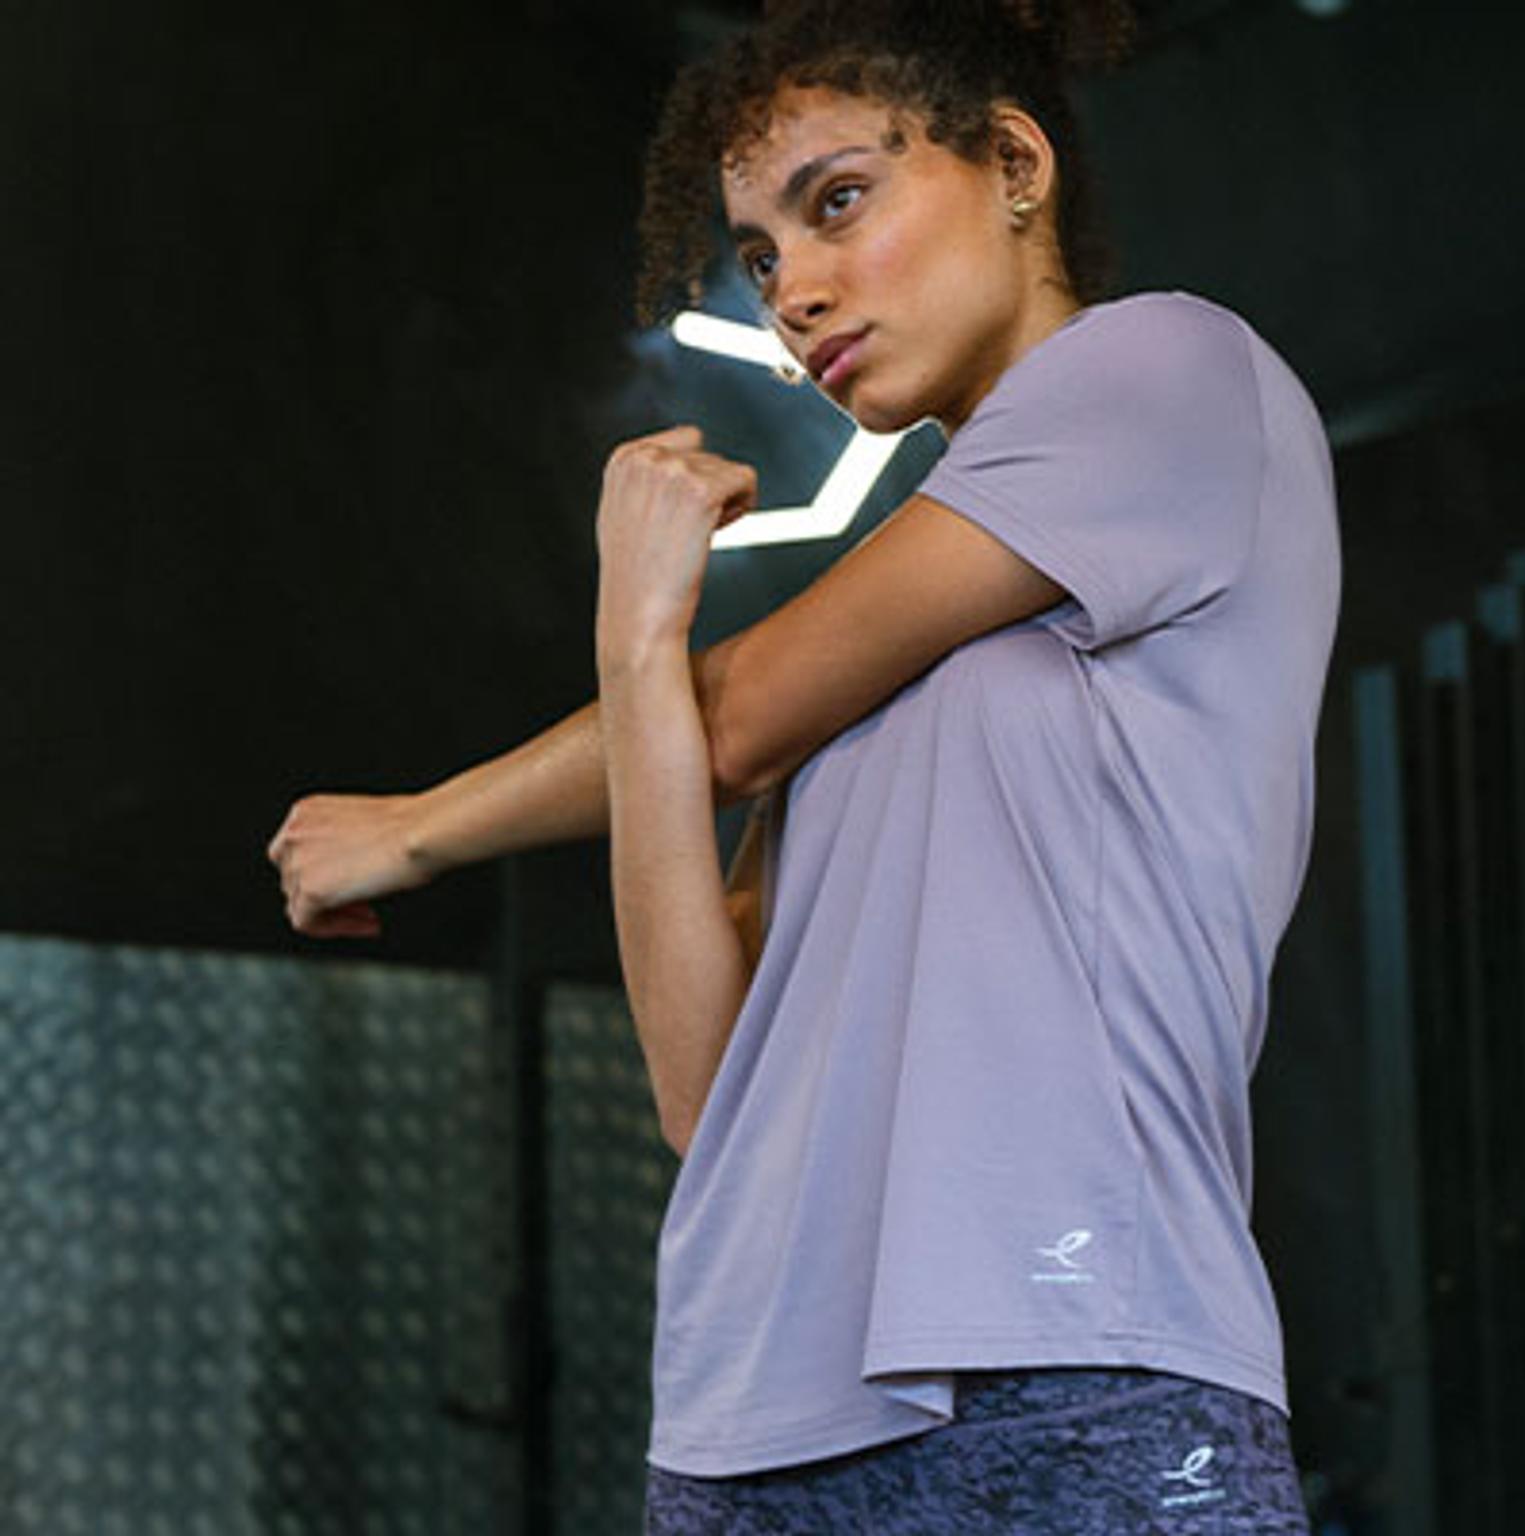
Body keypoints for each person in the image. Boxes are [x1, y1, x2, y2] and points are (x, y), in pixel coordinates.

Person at [267, 0, 1340, 1528]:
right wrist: (633, 644)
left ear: (1014, 164)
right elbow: (713, 1097)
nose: (796, 291)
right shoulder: (894, 649)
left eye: (838, 201)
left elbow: (745, 706)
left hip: (1076, 1358)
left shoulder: (1163, 370)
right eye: (763, 255)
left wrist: (418, 831)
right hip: (745, 1419)